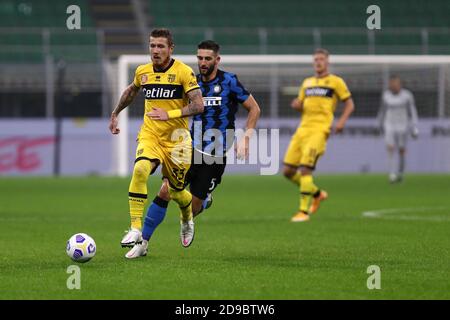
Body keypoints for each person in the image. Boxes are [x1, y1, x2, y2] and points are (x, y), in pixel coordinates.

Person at [125, 40, 261, 259]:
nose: (203, 62)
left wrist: (247, 136)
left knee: (194, 207)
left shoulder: (229, 81)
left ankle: (203, 201)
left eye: (208, 58)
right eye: (200, 58)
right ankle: (143, 242)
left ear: (217, 59)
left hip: (214, 154)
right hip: (187, 147)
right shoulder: (191, 82)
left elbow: (254, 108)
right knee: (164, 191)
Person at [108, 29, 204, 258]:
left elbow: (199, 105)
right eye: (152, 46)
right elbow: (131, 91)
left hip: (178, 141)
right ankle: (135, 229)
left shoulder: (183, 72)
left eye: (161, 46)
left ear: (171, 48)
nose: (155, 51)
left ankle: (186, 217)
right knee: (140, 169)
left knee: (177, 191)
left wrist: (169, 114)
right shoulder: (143, 72)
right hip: (150, 135)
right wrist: (115, 113)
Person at [283, 48, 355, 222]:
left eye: (321, 59)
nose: (318, 62)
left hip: (319, 130)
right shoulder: (307, 83)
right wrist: (297, 105)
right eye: (316, 59)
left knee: (305, 169)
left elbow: (350, 104)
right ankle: (317, 194)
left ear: (327, 61)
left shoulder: (336, 82)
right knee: (288, 171)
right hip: (302, 129)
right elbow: (301, 104)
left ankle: (303, 211)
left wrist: (341, 122)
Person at [377, 75, 419, 183]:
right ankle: (391, 175)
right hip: (389, 125)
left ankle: (400, 174)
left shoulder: (407, 96)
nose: (393, 86)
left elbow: (412, 111)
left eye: (395, 83)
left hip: (403, 126)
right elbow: (382, 111)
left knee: (401, 150)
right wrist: (379, 124)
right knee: (390, 148)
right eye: (391, 84)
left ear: (399, 84)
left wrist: (414, 126)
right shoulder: (386, 96)